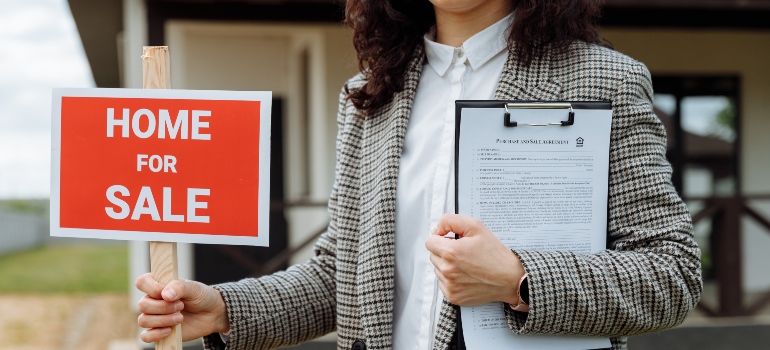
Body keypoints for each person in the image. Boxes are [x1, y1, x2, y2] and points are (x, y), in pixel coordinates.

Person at [135, 0, 702, 349]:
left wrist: (519, 279)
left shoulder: (604, 81)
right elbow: (345, 274)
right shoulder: (368, 97)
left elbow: (671, 272)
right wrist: (226, 309)